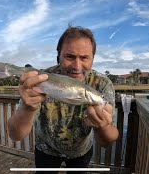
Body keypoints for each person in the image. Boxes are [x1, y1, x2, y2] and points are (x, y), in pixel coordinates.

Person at [7, 26, 119, 173]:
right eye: (70, 57)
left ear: (92, 59)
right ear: (58, 56)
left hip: (81, 152)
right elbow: (15, 135)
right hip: (45, 150)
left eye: (84, 57)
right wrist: (27, 107)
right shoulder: (40, 79)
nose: (77, 66)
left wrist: (103, 125)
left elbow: (108, 141)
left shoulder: (102, 84)